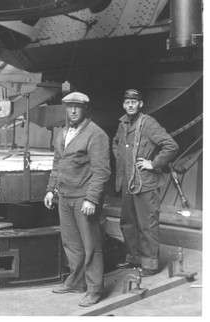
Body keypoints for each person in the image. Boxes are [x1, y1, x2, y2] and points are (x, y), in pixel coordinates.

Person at [44, 92, 111, 307]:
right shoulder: (63, 133)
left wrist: (91, 199)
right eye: (69, 106)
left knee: (91, 245)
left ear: (85, 110)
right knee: (72, 244)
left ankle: (94, 289)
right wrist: (50, 190)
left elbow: (102, 171)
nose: (73, 111)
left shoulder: (96, 134)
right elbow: (57, 164)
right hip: (64, 197)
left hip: (84, 198)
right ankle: (76, 282)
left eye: (77, 107)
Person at [112, 89, 179, 276]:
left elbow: (171, 145)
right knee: (128, 222)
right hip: (127, 182)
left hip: (145, 183)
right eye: (127, 102)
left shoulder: (148, 123)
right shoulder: (122, 123)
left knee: (146, 224)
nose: (130, 105)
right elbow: (115, 142)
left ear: (140, 104)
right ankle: (134, 258)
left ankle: (149, 264)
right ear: (124, 105)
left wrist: (153, 163)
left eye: (134, 102)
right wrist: (122, 161)